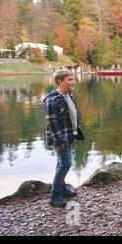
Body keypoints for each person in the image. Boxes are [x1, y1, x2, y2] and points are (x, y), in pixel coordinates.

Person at [43, 70, 84, 207]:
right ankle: (55, 195)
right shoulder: (52, 100)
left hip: (69, 134)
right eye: (69, 79)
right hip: (61, 138)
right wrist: (59, 141)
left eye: (73, 79)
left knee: (60, 162)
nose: (73, 82)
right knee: (66, 163)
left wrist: (75, 132)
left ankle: (62, 188)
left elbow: (71, 116)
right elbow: (52, 123)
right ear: (60, 82)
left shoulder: (68, 95)